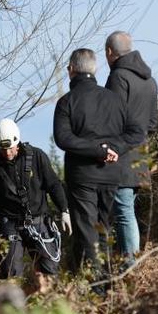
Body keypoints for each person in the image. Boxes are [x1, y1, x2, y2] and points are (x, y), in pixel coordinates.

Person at [54, 48, 143, 287]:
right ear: (95, 69)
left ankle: (99, 288)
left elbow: (63, 139)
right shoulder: (114, 99)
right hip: (111, 174)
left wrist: (99, 149)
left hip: (82, 176)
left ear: (70, 70)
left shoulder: (67, 102)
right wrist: (112, 148)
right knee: (102, 228)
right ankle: (104, 282)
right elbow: (137, 132)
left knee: (87, 231)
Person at [0, 119, 71, 292]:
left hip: (38, 222)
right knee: (10, 275)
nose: (7, 153)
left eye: (10, 148)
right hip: (10, 225)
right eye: (3, 149)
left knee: (49, 272)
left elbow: (53, 184)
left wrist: (64, 210)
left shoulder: (37, 157)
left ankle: (49, 308)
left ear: (17, 141)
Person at [103, 31, 158, 266]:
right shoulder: (149, 79)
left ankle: (131, 267)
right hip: (141, 155)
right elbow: (153, 122)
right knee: (128, 211)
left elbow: (110, 118)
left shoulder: (118, 77)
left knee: (124, 213)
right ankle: (130, 263)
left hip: (121, 155)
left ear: (109, 52)